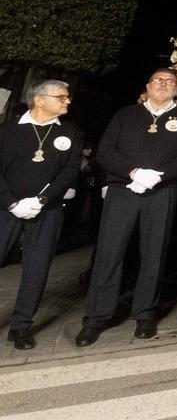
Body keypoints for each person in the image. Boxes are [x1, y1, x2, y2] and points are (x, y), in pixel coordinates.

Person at [76, 69, 177, 346]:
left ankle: (145, 314)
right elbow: (105, 150)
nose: (163, 85)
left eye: (170, 82)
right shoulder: (126, 115)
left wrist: (158, 177)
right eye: (158, 80)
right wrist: (133, 173)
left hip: (162, 192)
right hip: (124, 189)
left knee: (154, 253)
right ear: (148, 85)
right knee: (110, 252)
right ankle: (96, 316)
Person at [1, 80, 82, 350]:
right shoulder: (8, 130)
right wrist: (11, 203)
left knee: (37, 268)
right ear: (39, 100)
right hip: (5, 209)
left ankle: (21, 326)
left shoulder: (70, 131)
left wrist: (42, 200)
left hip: (46, 210)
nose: (67, 101)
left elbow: (70, 170)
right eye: (61, 97)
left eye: (67, 97)